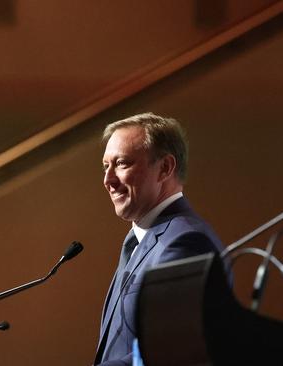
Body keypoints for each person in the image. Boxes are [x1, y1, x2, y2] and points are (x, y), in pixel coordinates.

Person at [94, 112, 225, 365]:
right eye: (105, 166)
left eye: (121, 163)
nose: (108, 180)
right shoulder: (138, 239)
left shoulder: (185, 242)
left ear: (165, 168)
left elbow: (169, 352)